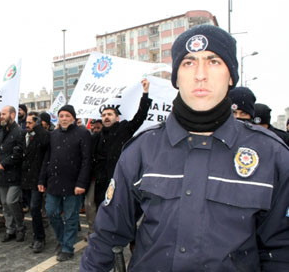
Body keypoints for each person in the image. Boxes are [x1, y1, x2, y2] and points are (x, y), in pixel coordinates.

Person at [81, 25, 289, 271]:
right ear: (176, 77)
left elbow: (281, 251)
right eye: (189, 63)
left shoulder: (272, 154)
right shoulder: (142, 150)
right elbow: (107, 237)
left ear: (231, 75)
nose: (200, 74)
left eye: (213, 61)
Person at [85, 79, 152, 241]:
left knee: (125, 211)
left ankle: (132, 240)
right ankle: (104, 236)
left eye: (109, 115)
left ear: (117, 118)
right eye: (103, 115)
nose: (106, 117)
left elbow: (140, 116)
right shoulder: (97, 137)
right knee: (103, 209)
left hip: (121, 179)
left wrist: (145, 93)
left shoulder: (124, 129)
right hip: (102, 181)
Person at [38, 104, 92, 262]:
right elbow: (47, 159)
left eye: (67, 116)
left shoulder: (83, 133)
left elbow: (86, 160)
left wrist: (81, 183)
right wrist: (42, 179)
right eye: (61, 116)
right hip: (54, 182)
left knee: (71, 217)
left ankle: (67, 248)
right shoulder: (53, 135)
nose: (64, 119)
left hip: (74, 184)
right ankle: (63, 240)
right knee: (51, 212)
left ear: (73, 118)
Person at [0, 106, 26, 242]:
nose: (1, 116)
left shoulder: (18, 132)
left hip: (15, 174)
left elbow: (18, 153)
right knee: (5, 204)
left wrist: (4, 163)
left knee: (11, 201)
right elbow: (1, 151)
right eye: (1, 114)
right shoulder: (2, 132)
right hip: (3, 174)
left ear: (12, 115)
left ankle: (20, 227)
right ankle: (10, 229)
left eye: (4, 114)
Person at [22, 114, 49, 253]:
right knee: (32, 210)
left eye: (30, 123)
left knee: (34, 208)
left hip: (37, 178)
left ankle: (40, 238)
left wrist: (38, 127)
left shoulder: (41, 135)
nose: (27, 125)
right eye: (26, 122)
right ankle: (36, 236)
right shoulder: (25, 136)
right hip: (26, 179)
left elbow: (45, 142)